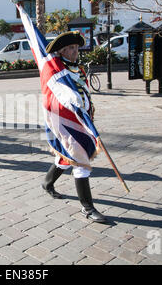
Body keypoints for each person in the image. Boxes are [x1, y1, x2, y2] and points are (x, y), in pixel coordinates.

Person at [41, 31, 106, 223]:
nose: (74, 51)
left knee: (66, 157)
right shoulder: (55, 71)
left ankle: (47, 182)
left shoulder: (77, 69)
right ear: (61, 51)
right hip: (64, 122)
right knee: (82, 162)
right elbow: (52, 96)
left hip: (81, 120)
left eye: (76, 48)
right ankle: (88, 208)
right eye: (70, 48)